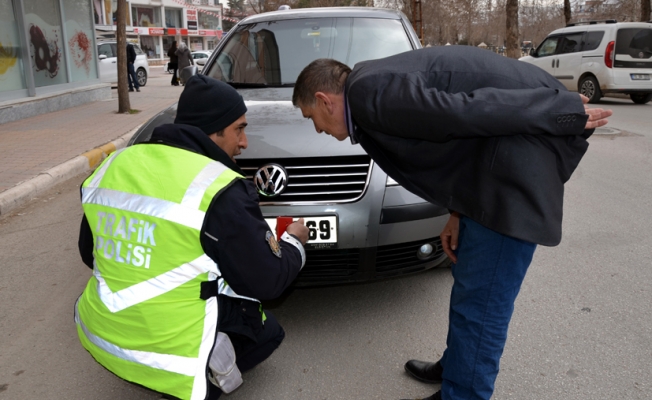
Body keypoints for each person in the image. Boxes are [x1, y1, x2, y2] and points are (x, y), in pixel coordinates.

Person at [292, 46, 612, 400]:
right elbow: (453, 134)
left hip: (508, 176)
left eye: (310, 118)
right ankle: (459, 368)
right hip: (489, 172)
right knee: (468, 286)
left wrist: (559, 110)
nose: (317, 129)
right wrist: (456, 213)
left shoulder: (368, 94)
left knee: (483, 302)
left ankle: (465, 391)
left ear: (324, 100)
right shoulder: (371, 87)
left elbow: (466, 112)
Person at [75, 75, 309, 400]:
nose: (244, 143)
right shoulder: (219, 188)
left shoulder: (114, 164)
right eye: (239, 129)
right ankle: (208, 368)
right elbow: (268, 281)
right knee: (266, 331)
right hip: (170, 359)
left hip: (100, 333)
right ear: (213, 132)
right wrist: (295, 241)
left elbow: (90, 254)